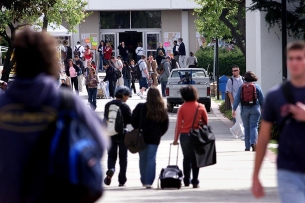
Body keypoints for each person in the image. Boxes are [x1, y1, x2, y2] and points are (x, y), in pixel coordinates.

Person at [0, 28, 108, 202]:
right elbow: (100, 143)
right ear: (50, 60)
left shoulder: (3, 105)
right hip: (59, 193)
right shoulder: (67, 102)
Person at [252, 42, 305, 202]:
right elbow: (263, 137)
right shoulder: (275, 95)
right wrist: (255, 176)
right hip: (288, 171)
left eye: (299, 58)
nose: (294, 62)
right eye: (291, 58)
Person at [131, 87, 169, 189]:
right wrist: (159, 133)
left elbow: (133, 120)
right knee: (151, 158)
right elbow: (165, 125)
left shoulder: (141, 107)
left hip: (141, 136)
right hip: (154, 137)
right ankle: (148, 181)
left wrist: (137, 128)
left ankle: (143, 179)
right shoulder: (161, 109)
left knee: (142, 159)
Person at [173, 85, 208, 188]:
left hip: (184, 136)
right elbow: (206, 122)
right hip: (196, 135)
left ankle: (186, 180)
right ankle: (195, 180)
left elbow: (178, 125)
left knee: (186, 158)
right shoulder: (200, 107)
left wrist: (175, 139)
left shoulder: (182, 108)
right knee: (195, 159)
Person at [103, 86, 132, 187]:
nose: (128, 97)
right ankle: (122, 179)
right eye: (127, 95)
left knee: (111, 156)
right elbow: (130, 120)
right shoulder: (125, 106)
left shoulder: (108, 105)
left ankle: (111, 170)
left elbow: (106, 118)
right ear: (123, 95)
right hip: (122, 134)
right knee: (123, 158)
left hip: (110, 134)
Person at [232, 71, 264, 151]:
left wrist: (234, 109)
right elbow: (262, 100)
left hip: (244, 109)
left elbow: (236, 99)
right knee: (254, 126)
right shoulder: (257, 87)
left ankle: (247, 147)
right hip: (255, 109)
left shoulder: (241, 87)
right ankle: (254, 143)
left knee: (246, 127)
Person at [226, 65, 245, 139]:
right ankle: (242, 135)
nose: (234, 72)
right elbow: (229, 92)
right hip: (235, 103)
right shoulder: (230, 81)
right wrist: (233, 103)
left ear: (239, 71)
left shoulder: (243, 79)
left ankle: (233, 130)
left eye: (235, 70)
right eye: (233, 71)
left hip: (243, 102)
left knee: (241, 119)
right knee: (238, 119)